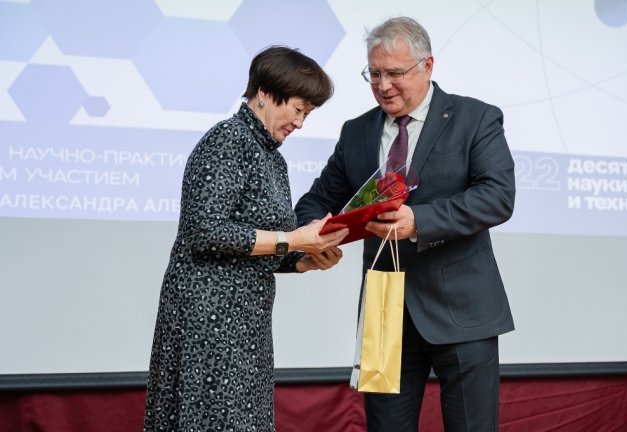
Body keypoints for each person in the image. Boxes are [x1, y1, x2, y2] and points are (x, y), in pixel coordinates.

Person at [295, 17, 516, 432]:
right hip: (384, 314)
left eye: (394, 73)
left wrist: (420, 221)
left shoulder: (476, 118)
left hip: (463, 310)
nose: (383, 85)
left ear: (427, 65)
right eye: (374, 74)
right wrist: (311, 234)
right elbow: (318, 199)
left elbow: (497, 197)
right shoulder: (357, 131)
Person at [143, 46, 349, 432]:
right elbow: (205, 231)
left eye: (308, 114)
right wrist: (293, 240)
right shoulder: (228, 139)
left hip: (247, 324)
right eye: (298, 109)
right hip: (208, 318)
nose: (300, 123)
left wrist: (305, 258)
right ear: (265, 93)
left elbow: (261, 246)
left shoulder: (273, 158)